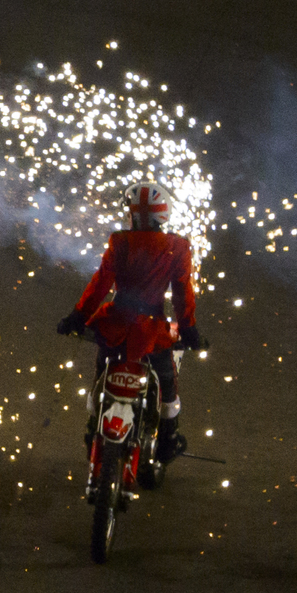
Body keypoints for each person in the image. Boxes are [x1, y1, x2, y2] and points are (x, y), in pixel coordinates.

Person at [59, 181, 207, 462]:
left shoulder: (120, 242)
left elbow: (100, 284)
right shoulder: (177, 246)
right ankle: (168, 439)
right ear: (164, 214)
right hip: (151, 332)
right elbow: (182, 294)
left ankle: (94, 428)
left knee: (101, 377)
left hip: (115, 325)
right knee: (166, 384)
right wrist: (189, 329)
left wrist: (77, 317)